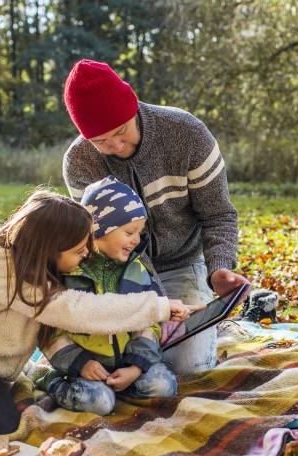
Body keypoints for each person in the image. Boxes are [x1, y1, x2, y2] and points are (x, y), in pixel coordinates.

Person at [0, 188, 190, 442]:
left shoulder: (36, 264)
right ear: (52, 247)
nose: (86, 254)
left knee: (2, 425)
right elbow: (77, 310)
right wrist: (157, 306)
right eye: (79, 249)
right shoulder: (5, 267)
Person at [61, 58, 249, 374]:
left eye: (121, 132)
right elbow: (92, 240)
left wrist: (218, 268)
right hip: (118, 272)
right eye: (100, 141)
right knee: (114, 358)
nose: (116, 146)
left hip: (183, 262)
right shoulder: (79, 161)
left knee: (188, 368)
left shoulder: (187, 134)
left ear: (132, 106)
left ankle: (212, 326)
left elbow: (218, 214)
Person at [35, 177, 178, 415]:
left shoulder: (137, 269)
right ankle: (48, 378)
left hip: (126, 362)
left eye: (140, 233)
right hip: (79, 366)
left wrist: (136, 366)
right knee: (99, 403)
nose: (136, 240)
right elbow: (50, 329)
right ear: (100, 229)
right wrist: (80, 363)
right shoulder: (70, 270)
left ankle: (121, 386)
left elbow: (150, 323)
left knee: (164, 385)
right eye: (129, 232)